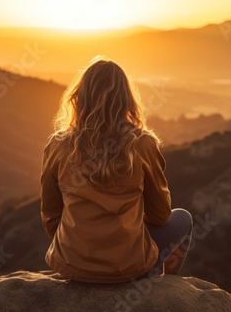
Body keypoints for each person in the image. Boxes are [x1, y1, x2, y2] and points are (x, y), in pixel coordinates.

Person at [40, 56, 193, 283]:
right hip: (130, 266)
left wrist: (78, 250)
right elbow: (161, 215)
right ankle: (162, 287)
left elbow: (51, 214)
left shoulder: (58, 145)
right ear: (126, 100)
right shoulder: (142, 144)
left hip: (73, 265)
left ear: (79, 99)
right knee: (184, 218)